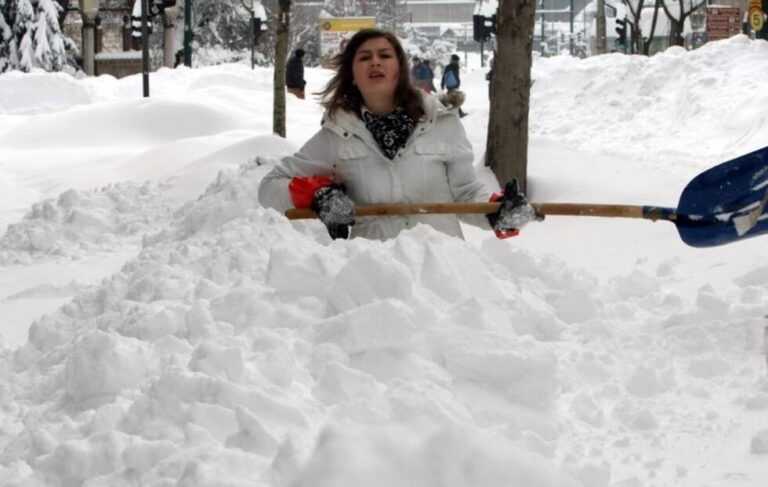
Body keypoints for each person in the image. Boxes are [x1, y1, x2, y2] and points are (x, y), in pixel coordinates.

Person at [258, 28, 539, 241]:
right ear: (352, 75)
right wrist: (320, 197)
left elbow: (465, 194)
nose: (375, 63)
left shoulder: (440, 122)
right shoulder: (337, 134)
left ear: (400, 69)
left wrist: (497, 211)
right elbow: (269, 187)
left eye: (385, 56)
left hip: (444, 273)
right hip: (374, 281)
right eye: (364, 57)